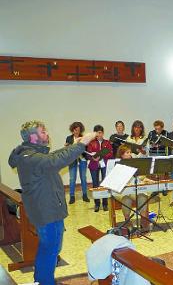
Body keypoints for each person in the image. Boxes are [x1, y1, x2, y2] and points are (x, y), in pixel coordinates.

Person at [9, 120, 96, 284]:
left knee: (49, 247)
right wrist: (82, 144)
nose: (47, 134)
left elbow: (53, 156)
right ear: (33, 137)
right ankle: (45, 281)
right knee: (51, 249)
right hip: (45, 210)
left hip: (49, 207)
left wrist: (72, 145)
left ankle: (41, 280)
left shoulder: (33, 154)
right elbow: (54, 161)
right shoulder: (28, 157)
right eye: (43, 132)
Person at [117, 145, 150, 231]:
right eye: (127, 153)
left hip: (138, 190)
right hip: (127, 192)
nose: (130, 154)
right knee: (126, 200)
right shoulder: (119, 166)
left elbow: (142, 177)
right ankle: (128, 221)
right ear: (122, 155)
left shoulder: (136, 163)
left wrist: (147, 180)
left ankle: (144, 221)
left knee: (142, 197)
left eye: (130, 152)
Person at [87, 125, 114, 212]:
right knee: (95, 184)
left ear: (103, 133)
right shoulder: (91, 143)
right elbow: (88, 154)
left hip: (104, 164)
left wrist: (102, 156)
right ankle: (97, 204)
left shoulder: (107, 142)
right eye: (97, 133)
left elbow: (111, 153)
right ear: (95, 134)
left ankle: (105, 203)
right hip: (94, 164)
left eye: (100, 132)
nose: (99, 134)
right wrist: (93, 158)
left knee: (105, 184)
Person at [65, 121, 89, 204]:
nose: (77, 132)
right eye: (75, 130)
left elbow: (87, 148)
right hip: (72, 160)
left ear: (81, 130)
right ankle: (72, 196)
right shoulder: (69, 138)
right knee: (72, 179)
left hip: (82, 159)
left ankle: (85, 195)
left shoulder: (84, 137)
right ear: (72, 130)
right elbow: (67, 150)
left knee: (83, 178)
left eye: (78, 130)